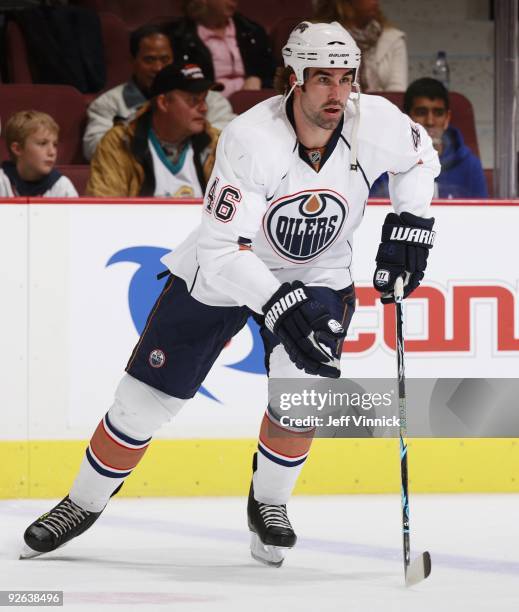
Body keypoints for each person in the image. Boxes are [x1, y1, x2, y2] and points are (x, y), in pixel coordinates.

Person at [21, 22, 439, 567]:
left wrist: (411, 220)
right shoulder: (250, 137)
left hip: (318, 273)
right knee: (144, 403)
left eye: (346, 78)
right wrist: (277, 302)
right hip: (220, 273)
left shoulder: (374, 121)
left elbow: (420, 157)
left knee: (299, 395)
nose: (337, 93)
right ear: (294, 78)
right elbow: (222, 250)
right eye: (322, 79)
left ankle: (268, 506)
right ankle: (82, 502)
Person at [82, 24, 235, 161]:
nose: (158, 67)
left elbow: (230, 139)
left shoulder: (210, 98)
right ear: (133, 61)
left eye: (165, 59)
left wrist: (181, 137)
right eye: (149, 60)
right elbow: (94, 149)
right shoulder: (108, 103)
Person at [85, 63, 220, 198]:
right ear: (163, 103)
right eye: (194, 100)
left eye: (204, 99)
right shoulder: (120, 143)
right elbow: (104, 209)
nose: (204, 108)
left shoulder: (216, 143)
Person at [371, 77, 488, 198]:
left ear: (447, 118)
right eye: (421, 112)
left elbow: (482, 214)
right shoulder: (386, 161)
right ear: (406, 118)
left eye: (438, 113)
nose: (430, 121)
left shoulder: (469, 165)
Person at [167, 0, 276, 98]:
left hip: (252, 100)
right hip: (209, 103)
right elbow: (180, 80)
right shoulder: (179, 37)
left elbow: (272, 71)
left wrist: (257, 78)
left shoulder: (250, 30)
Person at [313, 0, 407, 92]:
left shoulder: (393, 38)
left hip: (382, 106)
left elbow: (397, 91)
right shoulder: (320, 36)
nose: (375, 2)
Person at [0, 110, 78, 197]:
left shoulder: (63, 186)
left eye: (55, 145)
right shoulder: (2, 181)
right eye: (42, 143)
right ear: (18, 149)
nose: (52, 152)